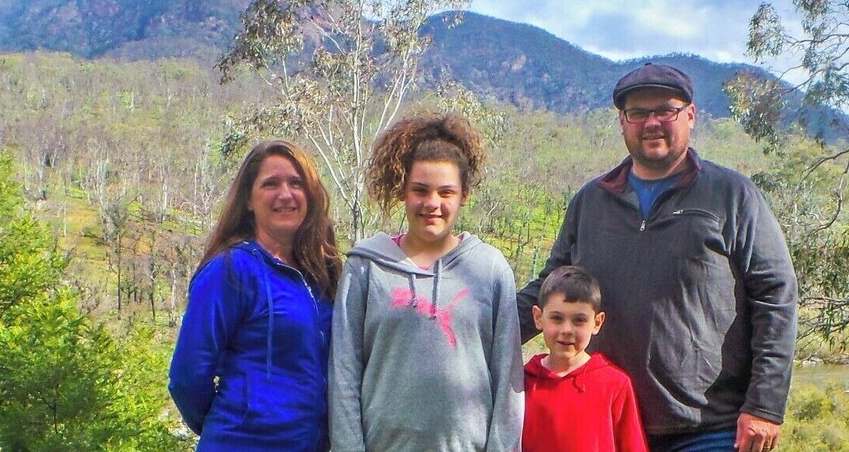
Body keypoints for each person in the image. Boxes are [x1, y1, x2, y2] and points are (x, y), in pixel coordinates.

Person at [516, 63, 799, 452]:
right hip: (609, 422)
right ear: (622, 122)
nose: (651, 123)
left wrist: (765, 404)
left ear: (691, 116)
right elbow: (549, 289)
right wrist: (472, 335)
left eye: (665, 110)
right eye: (638, 113)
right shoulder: (592, 202)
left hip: (710, 427)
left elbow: (776, 295)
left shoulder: (731, 195)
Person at [330, 113, 523, 452]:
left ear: (463, 196)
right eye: (420, 190)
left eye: (445, 192)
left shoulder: (490, 270)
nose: (432, 203)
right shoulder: (366, 267)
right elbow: (343, 373)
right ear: (403, 192)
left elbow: (508, 380)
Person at [169, 140, 341, 451]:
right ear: (248, 199)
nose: (285, 195)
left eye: (296, 183)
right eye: (270, 184)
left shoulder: (321, 274)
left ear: (310, 195)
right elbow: (187, 377)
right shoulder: (230, 270)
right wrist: (237, 424)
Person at [523, 265, 646, 452]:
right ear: (538, 318)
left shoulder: (614, 385)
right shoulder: (520, 383)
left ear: (597, 323)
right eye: (557, 318)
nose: (567, 330)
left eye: (579, 320)